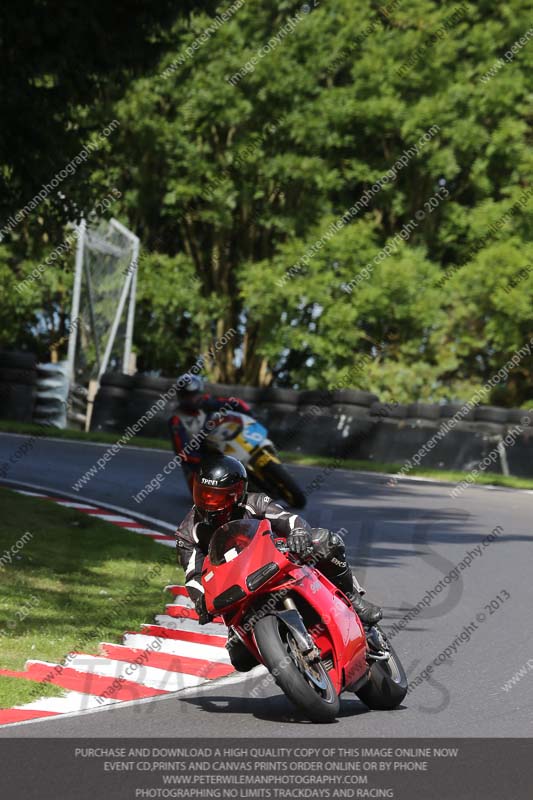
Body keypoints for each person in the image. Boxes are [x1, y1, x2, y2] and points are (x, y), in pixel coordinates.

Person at [175, 454, 382, 672]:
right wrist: (200, 600)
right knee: (240, 659)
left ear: (236, 493)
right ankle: (286, 657)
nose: (208, 502)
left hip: (277, 561)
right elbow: (192, 575)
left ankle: (351, 597)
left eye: (216, 497)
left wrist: (299, 532)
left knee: (324, 542)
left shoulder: (255, 502)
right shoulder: (188, 532)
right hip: (237, 589)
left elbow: (288, 519)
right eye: (203, 494)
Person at [169, 373, 251, 492]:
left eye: (195, 394)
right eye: (188, 396)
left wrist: (250, 415)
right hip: (198, 469)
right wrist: (213, 461)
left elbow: (235, 403)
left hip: (222, 452)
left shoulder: (207, 403)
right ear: (181, 397)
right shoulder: (176, 420)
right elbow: (183, 454)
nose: (193, 399)